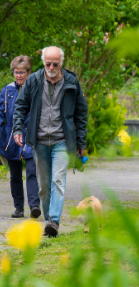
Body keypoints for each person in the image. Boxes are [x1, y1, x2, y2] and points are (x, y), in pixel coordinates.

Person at [13, 46, 87, 238]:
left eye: (55, 63)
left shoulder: (71, 82)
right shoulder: (34, 80)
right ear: (43, 62)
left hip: (63, 140)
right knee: (44, 187)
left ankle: (54, 220)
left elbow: (81, 113)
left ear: (61, 63)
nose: (51, 67)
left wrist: (81, 143)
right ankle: (48, 221)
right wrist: (18, 128)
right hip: (39, 141)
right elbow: (21, 105)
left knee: (58, 180)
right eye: (48, 63)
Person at [0, 56, 41, 219]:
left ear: (29, 72)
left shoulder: (37, 90)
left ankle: (34, 206)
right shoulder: (7, 91)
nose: (18, 76)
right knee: (15, 175)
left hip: (32, 137)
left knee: (32, 172)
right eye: (16, 72)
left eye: (22, 72)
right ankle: (19, 207)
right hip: (11, 138)